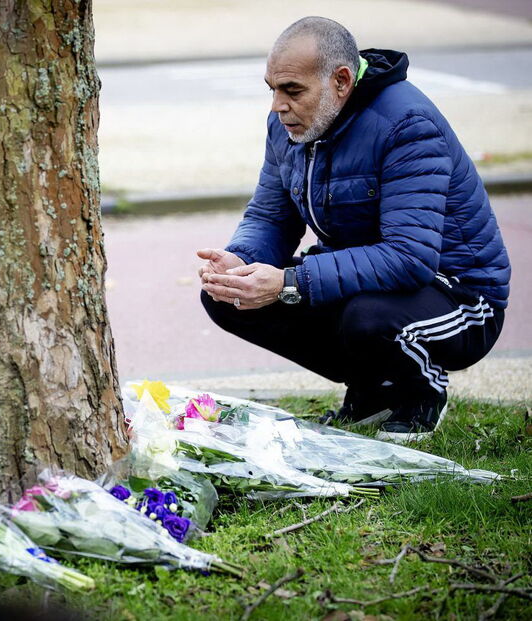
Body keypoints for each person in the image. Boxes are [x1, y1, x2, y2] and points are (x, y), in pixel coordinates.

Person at [198, 16, 510, 443]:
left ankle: (421, 393)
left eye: (292, 90)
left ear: (341, 81)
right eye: (272, 88)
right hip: (369, 285)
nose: (277, 105)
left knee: (366, 317)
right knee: (229, 297)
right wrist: (242, 260)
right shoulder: (289, 125)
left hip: (461, 297)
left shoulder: (407, 124)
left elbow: (409, 258)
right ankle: (374, 389)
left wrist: (290, 281)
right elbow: (272, 217)